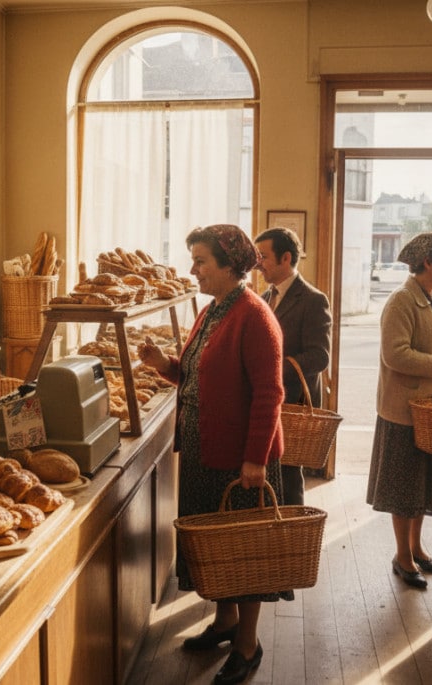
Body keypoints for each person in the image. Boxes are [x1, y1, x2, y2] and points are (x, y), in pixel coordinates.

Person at [138, 224, 287, 685]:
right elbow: (194, 374)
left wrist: (256, 460)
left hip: (242, 461)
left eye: (201, 261)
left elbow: (269, 394)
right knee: (218, 549)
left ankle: (248, 644)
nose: (193, 269)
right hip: (207, 454)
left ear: (229, 265)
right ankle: (224, 624)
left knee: (245, 554)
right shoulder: (213, 311)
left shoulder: (254, 315)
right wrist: (163, 365)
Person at [366, 232, 432, 590]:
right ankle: (403, 556)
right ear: (428, 263)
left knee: (422, 487)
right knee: (405, 489)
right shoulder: (401, 301)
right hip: (405, 412)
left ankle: (416, 548)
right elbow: (395, 354)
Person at [254, 226, 332, 505]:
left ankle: (292, 538)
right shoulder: (263, 299)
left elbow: (319, 357)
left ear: (285, 258)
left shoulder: (313, 300)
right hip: (265, 405)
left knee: (288, 478)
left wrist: (270, 367)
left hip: (292, 405)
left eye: (262, 256)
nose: (257, 263)